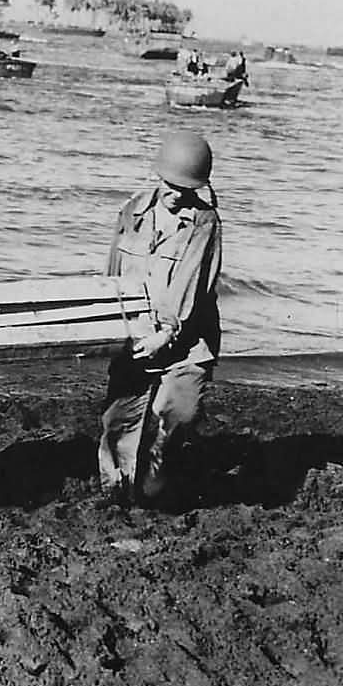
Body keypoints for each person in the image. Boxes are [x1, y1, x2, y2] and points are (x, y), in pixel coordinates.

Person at [98, 130, 222, 507]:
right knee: (119, 422)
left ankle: (158, 474)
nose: (176, 194)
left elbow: (190, 285)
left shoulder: (204, 224)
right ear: (157, 175)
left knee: (177, 411)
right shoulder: (133, 210)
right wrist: (112, 324)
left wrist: (166, 333)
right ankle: (117, 492)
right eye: (170, 184)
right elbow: (113, 273)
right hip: (136, 334)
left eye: (186, 189)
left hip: (186, 338)